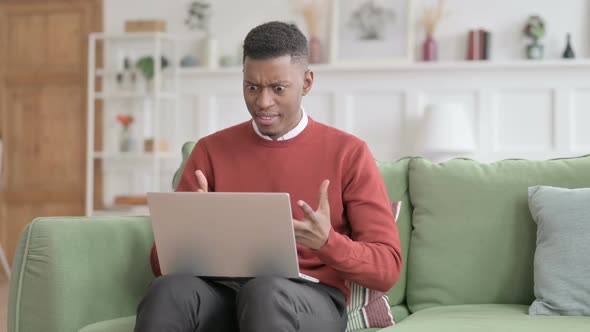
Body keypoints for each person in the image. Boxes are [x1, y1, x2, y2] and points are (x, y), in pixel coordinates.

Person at [134, 21, 402, 332]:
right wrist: (190, 233)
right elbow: (160, 266)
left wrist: (327, 242)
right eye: (252, 87)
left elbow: (387, 269)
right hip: (223, 295)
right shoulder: (210, 151)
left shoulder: (349, 153)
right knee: (168, 291)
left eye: (278, 88)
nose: (262, 102)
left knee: (264, 291)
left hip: (308, 299)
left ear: (307, 82)